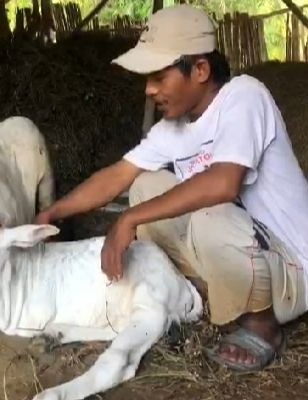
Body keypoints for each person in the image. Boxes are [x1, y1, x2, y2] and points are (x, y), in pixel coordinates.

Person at [35, 4, 308, 372]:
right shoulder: (172, 129)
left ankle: (261, 326)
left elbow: (224, 184)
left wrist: (128, 219)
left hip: (290, 272)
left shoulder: (244, 97)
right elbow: (117, 175)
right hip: (237, 260)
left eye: (159, 77)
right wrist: (53, 213)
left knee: (210, 213)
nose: (149, 90)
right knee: (147, 185)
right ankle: (205, 297)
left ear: (200, 69)